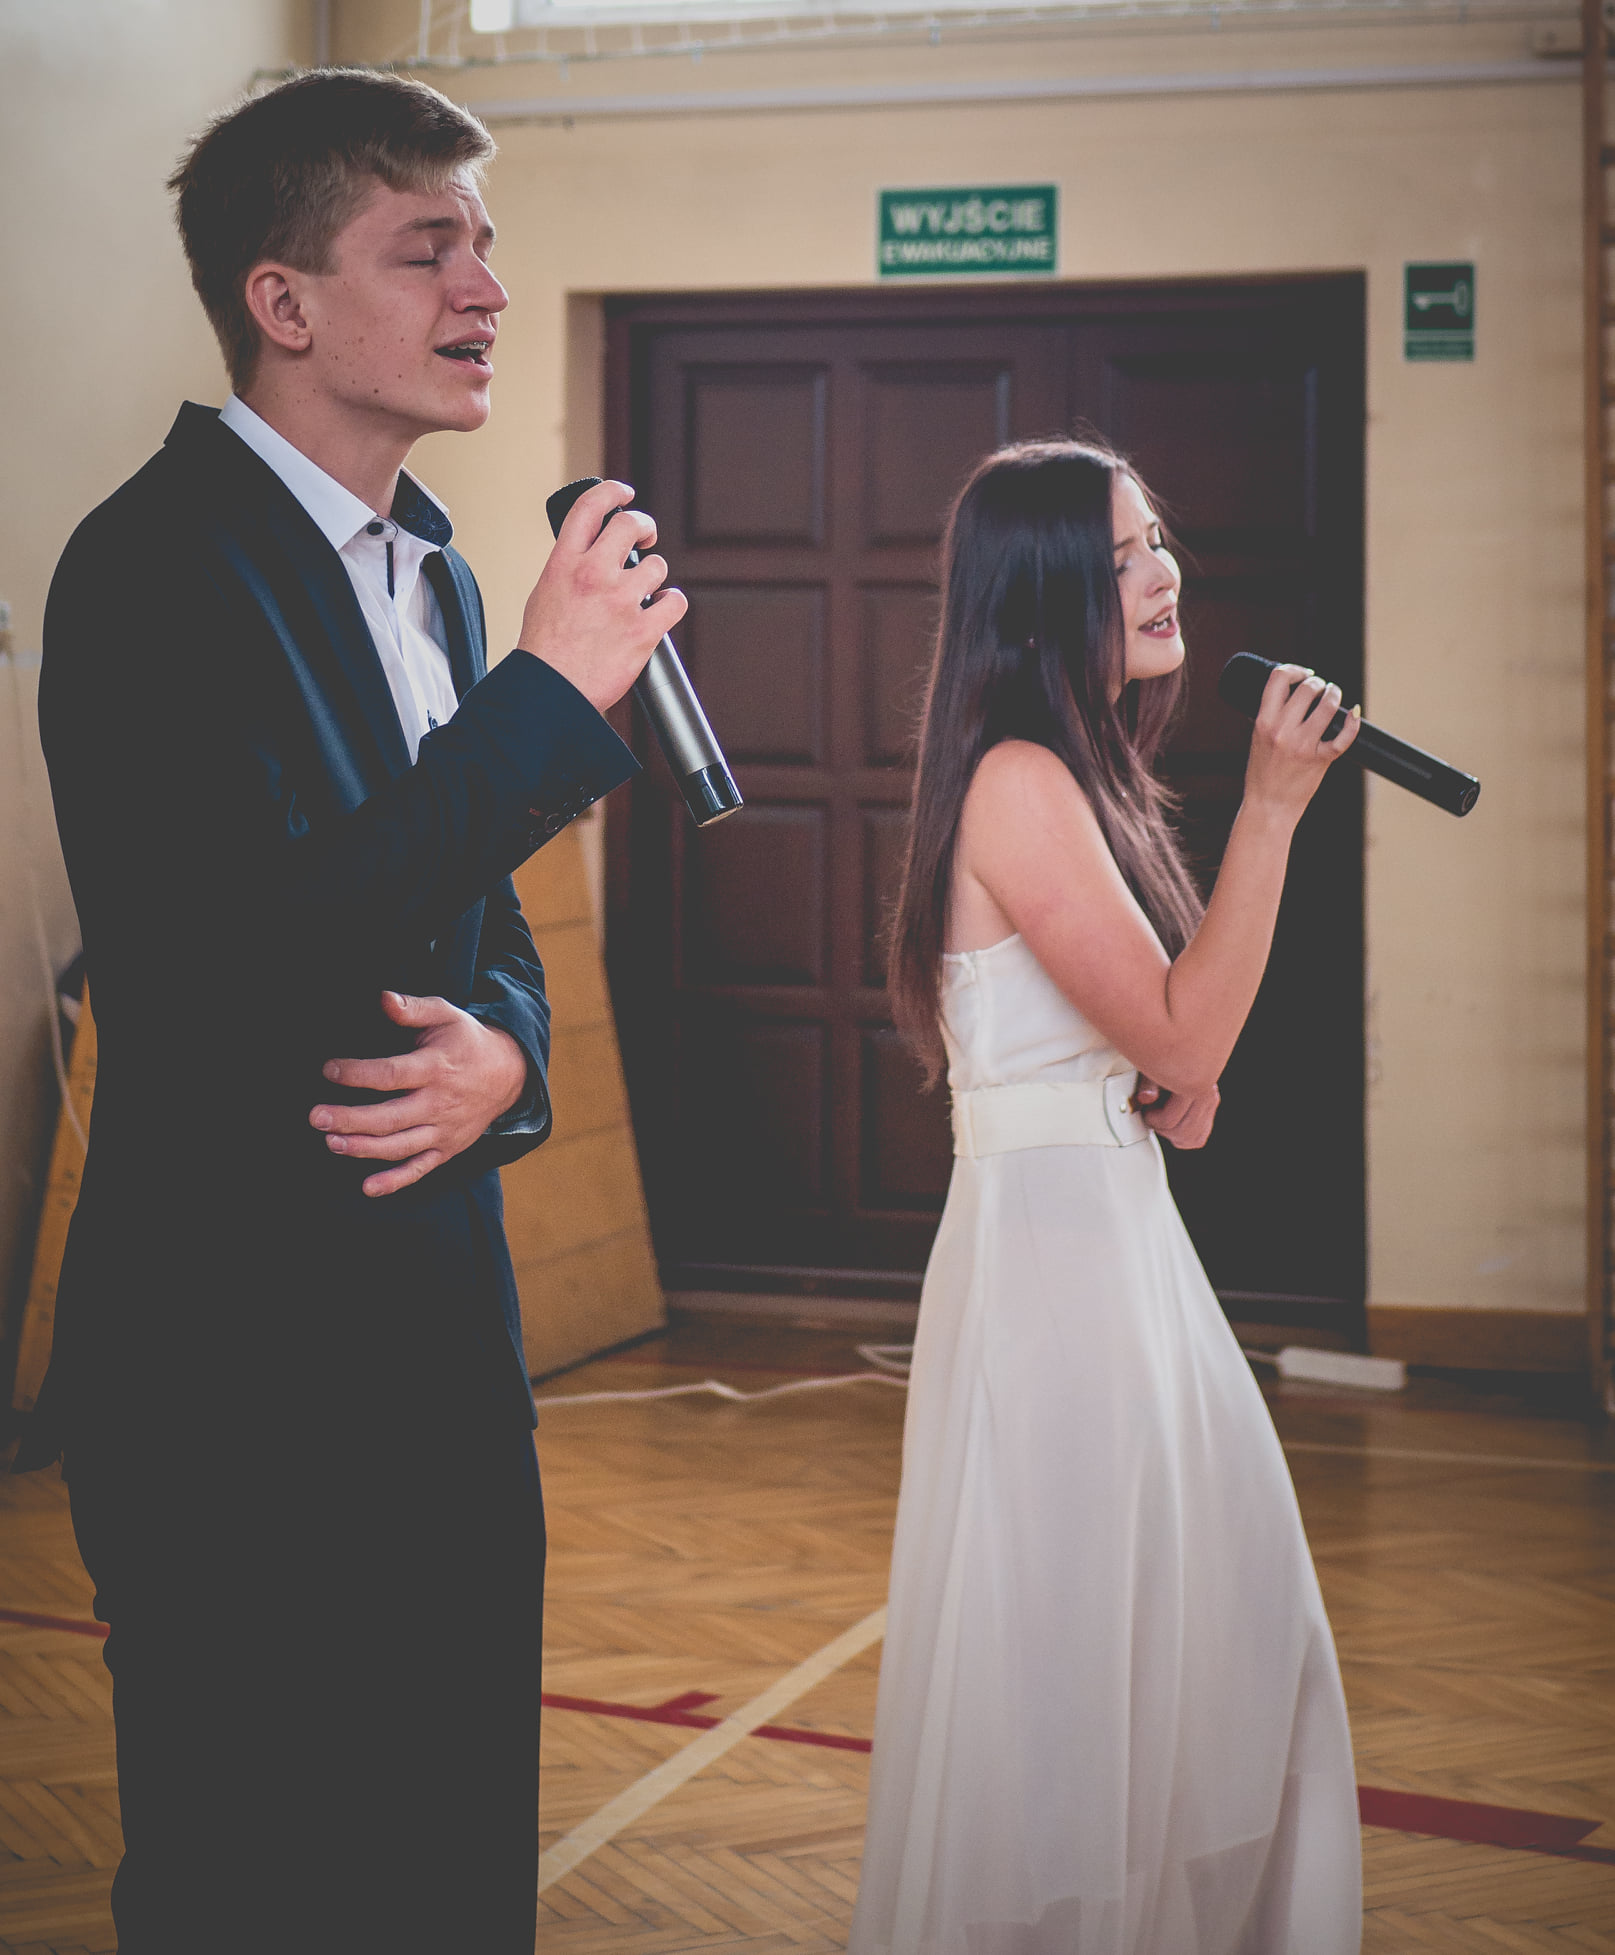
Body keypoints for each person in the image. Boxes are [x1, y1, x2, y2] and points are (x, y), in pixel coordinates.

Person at [17, 69, 683, 1953]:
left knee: (449, 1863)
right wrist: (549, 703)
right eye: (427, 248)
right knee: (256, 1882)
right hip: (236, 1367)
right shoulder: (150, 566)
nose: (485, 287)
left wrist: (515, 1058)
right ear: (283, 301)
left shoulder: (444, 580)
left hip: (440, 1351)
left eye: (488, 245)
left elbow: (490, 926)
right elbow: (242, 958)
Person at [849, 438, 1364, 1955]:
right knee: (1082, 1677)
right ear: (1044, 590)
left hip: (1115, 1239)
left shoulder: (1078, 775)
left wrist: (1150, 1070)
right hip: (1058, 1273)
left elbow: (1163, 1044)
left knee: (1215, 1639)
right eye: (1124, 552)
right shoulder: (1019, 779)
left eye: (1159, 542)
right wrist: (1273, 807)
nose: (1161, 574)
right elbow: (1189, 1031)